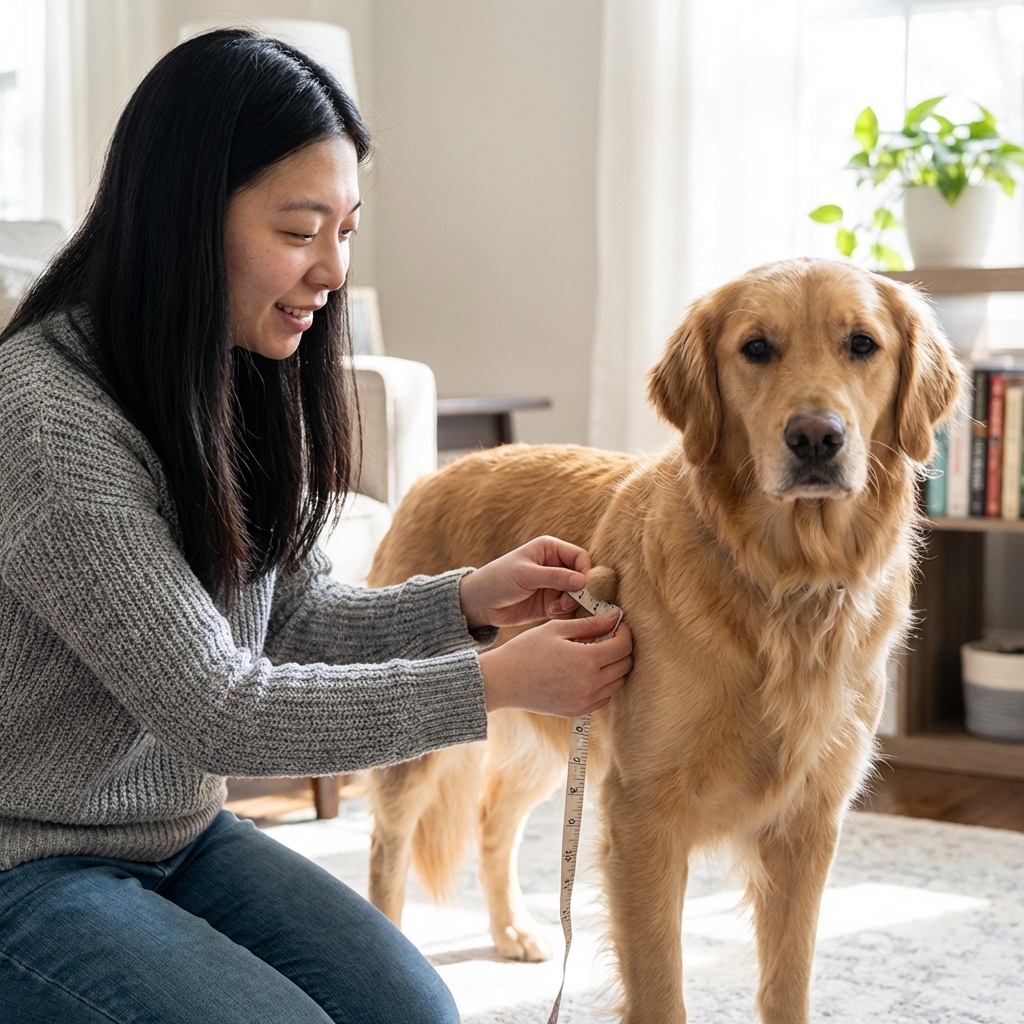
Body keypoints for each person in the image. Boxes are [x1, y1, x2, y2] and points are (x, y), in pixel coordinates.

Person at [0, 28, 632, 1024]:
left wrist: (468, 602)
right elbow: (220, 708)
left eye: (346, 228)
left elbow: (285, 618)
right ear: (181, 217)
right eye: (300, 230)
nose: (332, 270)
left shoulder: (234, 372)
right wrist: (496, 681)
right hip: (23, 865)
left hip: (179, 834)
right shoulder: (49, 415)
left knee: (415, 1012)